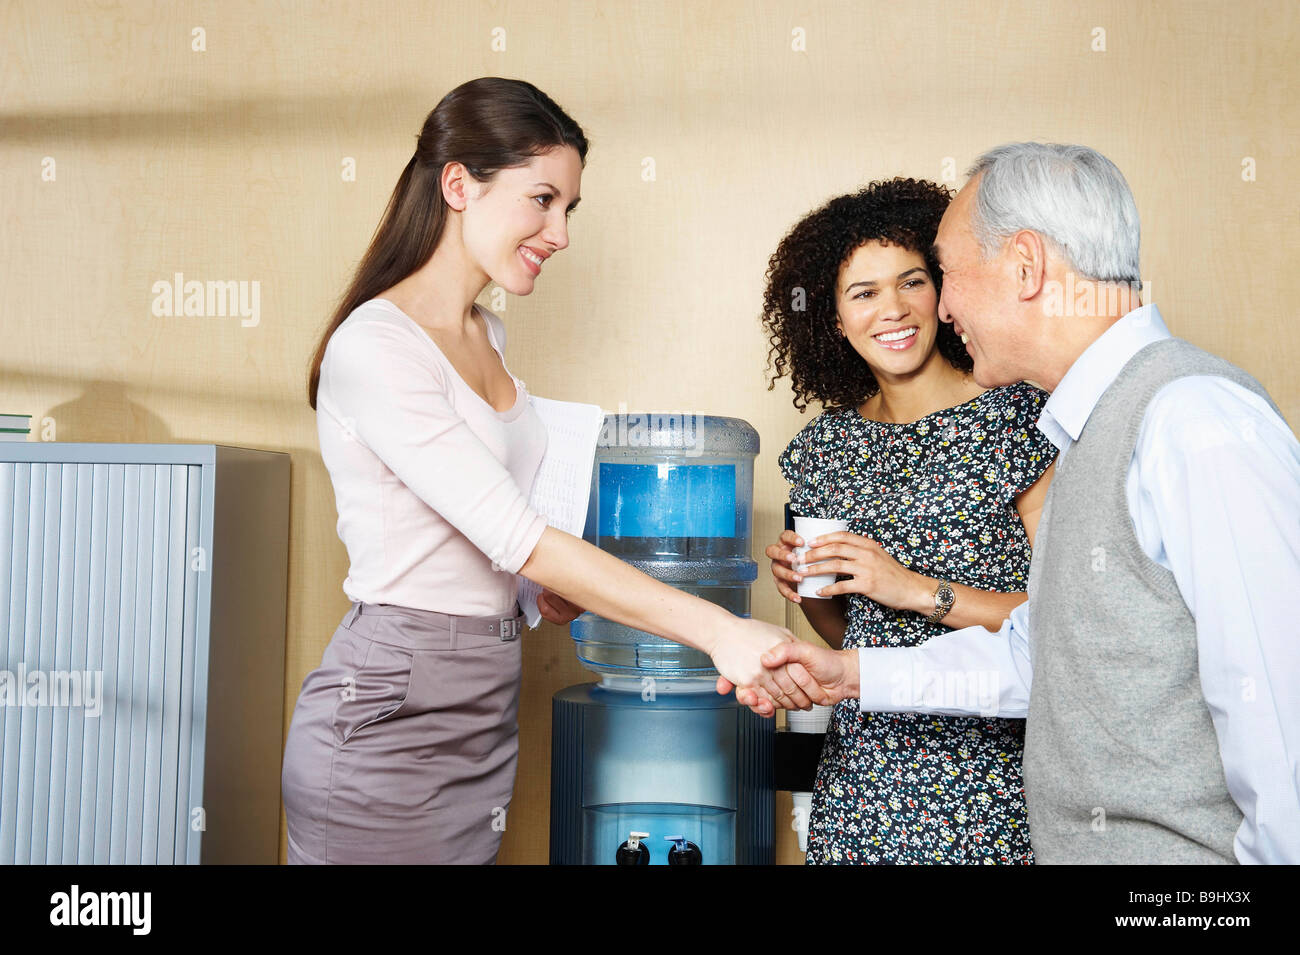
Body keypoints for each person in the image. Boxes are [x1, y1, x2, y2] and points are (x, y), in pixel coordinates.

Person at [281, 77, 809, 865]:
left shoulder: (484, 333)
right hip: (390, 705)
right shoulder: (377, 348)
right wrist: (721, 631)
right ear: (458, 183)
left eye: (569, 209)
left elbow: (490, 541)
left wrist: (539, 591)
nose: (559, 232)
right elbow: (516, 533)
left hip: (485, 697)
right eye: (542, 200)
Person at [744, 142, 1300, 865]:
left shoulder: (1192, 420)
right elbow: (1047, 655)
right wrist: (851, 673)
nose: (937, 306)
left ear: (1027, 266)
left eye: (942, 273)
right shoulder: (1086, 432)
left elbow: (1282, 724)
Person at [755, 178, 1056, 863]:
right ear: (833, 319)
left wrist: (910, 585)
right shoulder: (825, 450)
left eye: (912, 281)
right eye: (863, 293)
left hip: (993, 785)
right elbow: (848, 628)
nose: (892, 309)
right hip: (864, 779)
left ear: (944, 292)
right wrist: (808, 590)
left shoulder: (1018, 419)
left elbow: (1067, 622)